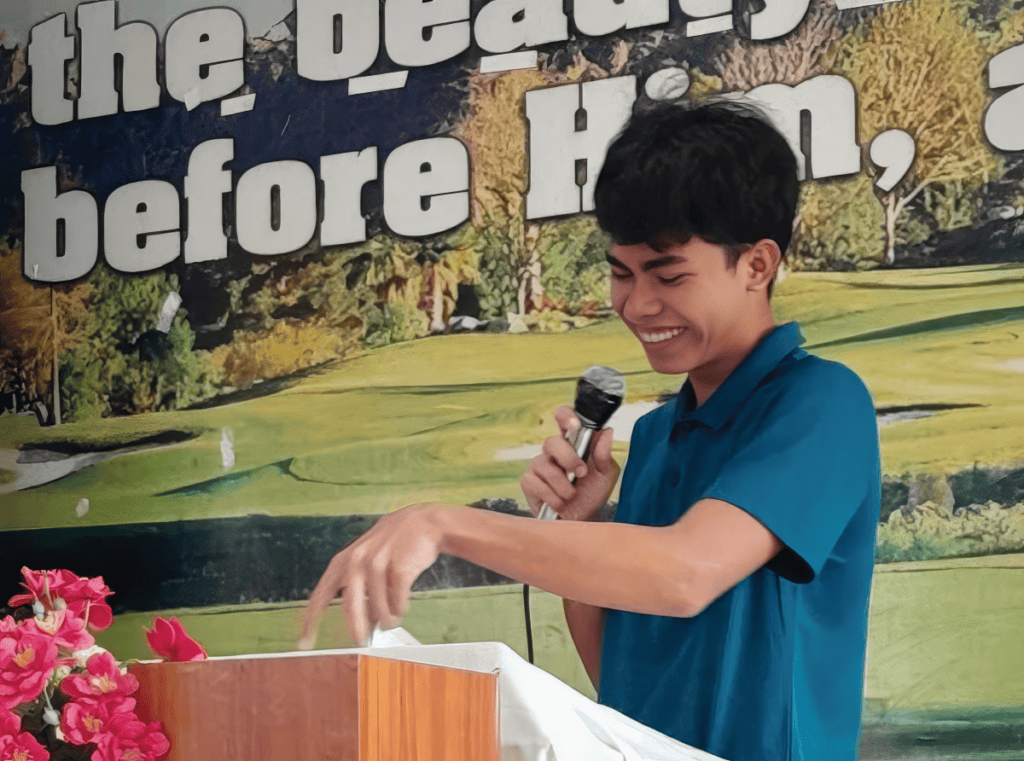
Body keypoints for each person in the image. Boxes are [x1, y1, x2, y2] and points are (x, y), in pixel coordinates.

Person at [301, 99, 881, 761]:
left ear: (756, 264)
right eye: (621, 273)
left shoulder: (822, 401)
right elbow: (623, 680)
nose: (638, 304)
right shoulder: (659, 434)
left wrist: (442, 523)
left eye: (669, 275)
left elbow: (685, 573)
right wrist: (577, 526)